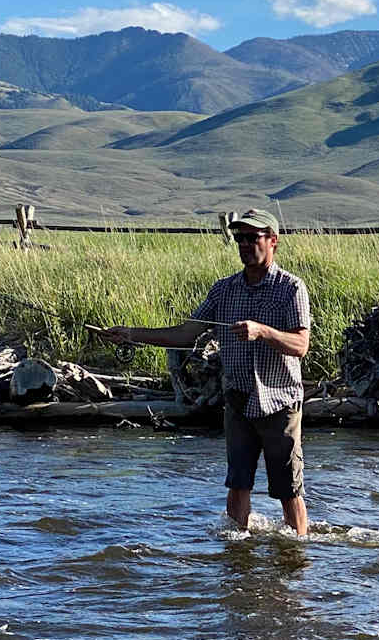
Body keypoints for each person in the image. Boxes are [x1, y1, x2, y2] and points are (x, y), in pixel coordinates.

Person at [100, 208, 310, 537]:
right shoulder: (223, 290)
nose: (244, 244)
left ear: (273, 242)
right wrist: (131, 333)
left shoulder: (291, 289)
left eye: (252, 238)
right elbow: (185, 334)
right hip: (238, 401)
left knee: (288, 491)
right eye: (239, 238)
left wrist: (263, 331)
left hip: (280, 403)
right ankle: (235, 556)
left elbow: (300, 345)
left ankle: (298, 554)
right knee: (238, 484)